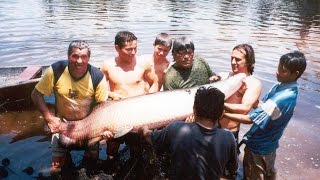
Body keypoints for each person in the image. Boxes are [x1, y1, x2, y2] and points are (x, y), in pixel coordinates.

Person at [31, 40, 113, 177]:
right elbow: (35, 94)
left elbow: (102, 108)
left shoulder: (97, 76)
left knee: (92, 165)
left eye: (84, 57)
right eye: (75, 56)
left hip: (89, 125)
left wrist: (105, 129)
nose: (79, 61)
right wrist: (49, 118)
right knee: (57, 168)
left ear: (89, 58)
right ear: (68, 56)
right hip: (62, 125)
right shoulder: (56, 70)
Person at [224, 51, 307, 179]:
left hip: (259, 148)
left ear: (295, 74)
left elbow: (249, 119)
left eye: (283, 70)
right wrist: (248, 98)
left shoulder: (282, 97)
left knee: (253, 175)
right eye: (278, 67)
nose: (277, 72)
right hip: (270, 144)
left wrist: (222, 111)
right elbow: (265, 109)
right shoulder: (282, 86)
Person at [139, 86, 238, 179]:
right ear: (221, 113)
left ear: (194, 109)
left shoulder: (177, 128)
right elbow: (232, 169)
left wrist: (143, 129)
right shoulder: (228, 137)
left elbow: (150, 137)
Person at [100, 31, 159, 167]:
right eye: (128, 49)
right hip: (118, 113)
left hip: (139, 114)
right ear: (117, 48)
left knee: (137, 151)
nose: (133, 52)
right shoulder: (107, 66)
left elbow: (155, 83)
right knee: (112, 150)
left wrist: (149, 97)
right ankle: (112, 167)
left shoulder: (143, 63)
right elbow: (100, 91)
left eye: (135, 48)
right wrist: (111, 94)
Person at [218, 44, 262, 145]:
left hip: (228, 132)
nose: (233, 62)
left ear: (248, 62)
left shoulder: (253, 83)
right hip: (210, 128)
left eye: (237, 59)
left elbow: (244, 109)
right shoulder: (223, 76)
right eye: (232, 58)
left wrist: (218, 103)